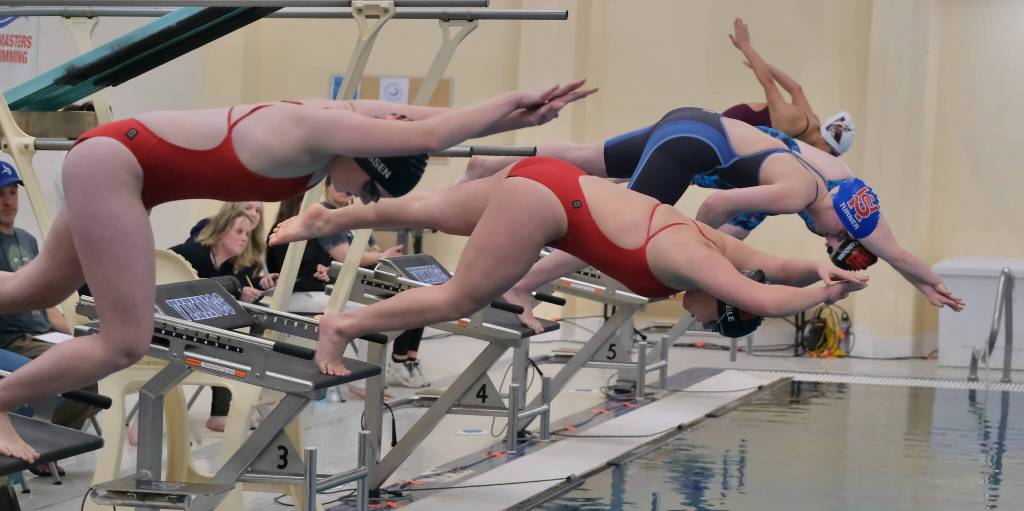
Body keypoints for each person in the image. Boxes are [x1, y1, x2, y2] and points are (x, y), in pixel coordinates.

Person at [0, 80, 595, 462]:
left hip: (124, 170)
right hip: (116, 167)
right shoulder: (312, 129)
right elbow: (432, 132)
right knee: (123, 342)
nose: (356, 197)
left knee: (34, 287)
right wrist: (513, 105)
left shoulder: (344, 129)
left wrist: (516, 117)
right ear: (364, 156)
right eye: (366, 184)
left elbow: (419, 120)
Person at [270, 156, 869, 376]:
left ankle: (331, 219)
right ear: (725, 302)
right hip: (549, 205)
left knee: (437, 211)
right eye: (715, 322)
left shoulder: (723, 250)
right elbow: (767, 298)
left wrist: (825, 274)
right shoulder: (697, 265)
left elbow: (779, 267)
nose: (703, 323)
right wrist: (826, 294)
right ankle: (341, 326)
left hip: (551, 179)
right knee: (459, 299)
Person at [459, 107, 963, 330]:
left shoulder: (826, 178)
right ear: (842, 230)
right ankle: (521, 286)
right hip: (693, 144)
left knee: (587, 159)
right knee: (608, 233)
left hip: (693, 125)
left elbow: (738, 225)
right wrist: (693, 241)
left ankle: (491, 163)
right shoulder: (808, 194)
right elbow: (719, 209)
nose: (824, 242)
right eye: (833, 243)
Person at [0, 165, 100, 473]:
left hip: (42, 334)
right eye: (1, 194)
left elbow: (47, 296)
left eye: (13, 193)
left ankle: (45, 438)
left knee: (91, 365)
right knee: (62, 372)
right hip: (15, 341)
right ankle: (37, 442)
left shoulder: (28, 240)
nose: (8, 201)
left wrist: (69, 332)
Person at [170, 203, 267, 431]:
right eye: (239, 232)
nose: (245, 239)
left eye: (247, 234)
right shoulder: (194, 254)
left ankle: (223, 412)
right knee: (228, 340)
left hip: (181, 327)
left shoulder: (225, 266)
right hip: (161, 327)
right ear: (221, 230)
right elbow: (191, 293)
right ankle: (222, 412)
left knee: (230, 338)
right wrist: (236, 291)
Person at [721, 18, 855, 156]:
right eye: (831, 154)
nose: (827, 158)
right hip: (736, 121)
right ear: (826, 142)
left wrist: (763, 65)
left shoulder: (813, 123)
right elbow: (768, 83)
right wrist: (745, 46)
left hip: (752, 130)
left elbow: (796, 89)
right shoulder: (790, 121)